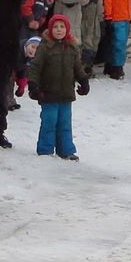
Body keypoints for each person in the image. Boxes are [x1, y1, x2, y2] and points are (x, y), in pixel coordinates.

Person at [31, 14, 86, 160]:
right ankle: (45, 149)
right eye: (55, 27)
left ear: (67, 29)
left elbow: (77, 68)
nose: (59, 30)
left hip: (66, 94)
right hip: (48, 93)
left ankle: (66, 150)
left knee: (65, 124)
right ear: (50, 29)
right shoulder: (45, 47)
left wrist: (83, 81)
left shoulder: (72, 47)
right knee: (49, 122)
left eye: (62, 27)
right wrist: (33, 85)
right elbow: (35, 67)